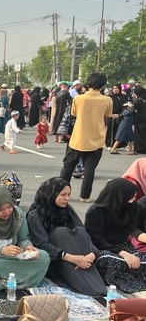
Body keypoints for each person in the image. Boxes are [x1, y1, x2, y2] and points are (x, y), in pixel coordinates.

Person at [26, 178, 106, 296]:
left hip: (78, 258)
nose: (67, 198)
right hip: (55, 259)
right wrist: (72, 258)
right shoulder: (36, 214)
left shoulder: (67, 209)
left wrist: (93, 253)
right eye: (63, 195)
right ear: (51, 194)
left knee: (78, 231)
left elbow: (83, 233)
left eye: (69, 194)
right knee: (61, 233)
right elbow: (42, 244)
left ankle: (86, 280)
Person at [60, 72, 113, 202]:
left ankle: (61, 192)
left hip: (78, 136)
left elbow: (74, 113)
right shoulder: (107, 100)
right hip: (97, 138)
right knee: (89, 169)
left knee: (68, 167)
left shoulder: (78, 98)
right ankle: (85, 196)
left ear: (88, 84)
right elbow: (107, 115)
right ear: (102, 85)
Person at [86, 178, 146, 293]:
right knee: (111, 261)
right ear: (119, 197)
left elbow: (136, 228)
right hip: (101, 248)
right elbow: (96, 240)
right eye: (131, 197)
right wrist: (123, 254)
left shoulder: (131, 208)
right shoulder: (95, 212)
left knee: (139, 261)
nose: (134, 200)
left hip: (124, 245)